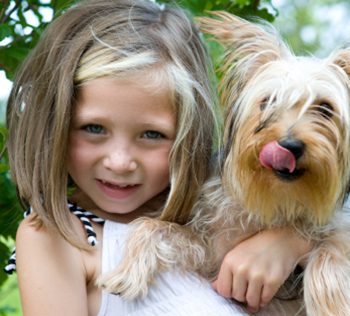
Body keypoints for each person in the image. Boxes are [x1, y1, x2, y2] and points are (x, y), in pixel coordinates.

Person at [5, 0, 312, 315]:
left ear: (189, 136)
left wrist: (294, 243)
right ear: (55, 125)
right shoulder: (60, 238)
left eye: (152, 135)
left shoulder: (216, 216)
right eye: (93, 128)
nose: (120, 162)